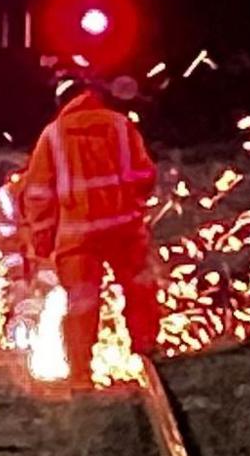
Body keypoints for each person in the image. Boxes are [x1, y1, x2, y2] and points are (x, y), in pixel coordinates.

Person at [20, 77, 161, 375]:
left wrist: (43, 237)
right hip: (124, 230)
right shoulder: (121, 126)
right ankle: (148, 351)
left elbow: (38, 194)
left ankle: (81, 371)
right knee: (138, 288)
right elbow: (145, 175)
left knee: (82, 302)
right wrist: (129, 203)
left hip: (78, 237)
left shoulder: (54, 134)